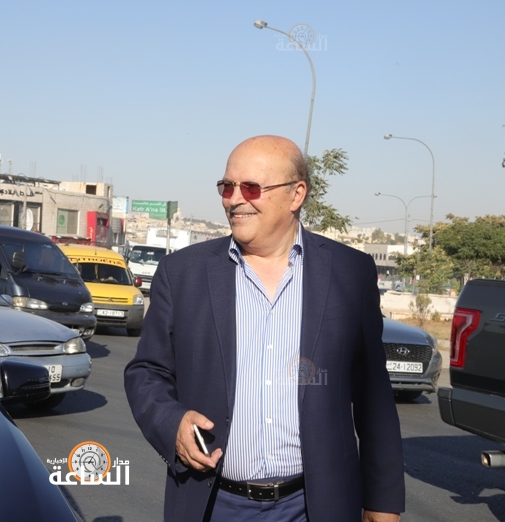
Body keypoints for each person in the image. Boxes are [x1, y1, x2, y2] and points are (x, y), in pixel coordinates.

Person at [124, 135, 405, 521]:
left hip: (315, 507)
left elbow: (373, 394)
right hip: (213, 504)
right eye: (227, 187)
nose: (235, 199)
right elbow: (146, 372)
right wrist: (171, 424)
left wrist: (383, 500)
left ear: (296, 194)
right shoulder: (182, 273)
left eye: (251, 187)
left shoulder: (349, 273)